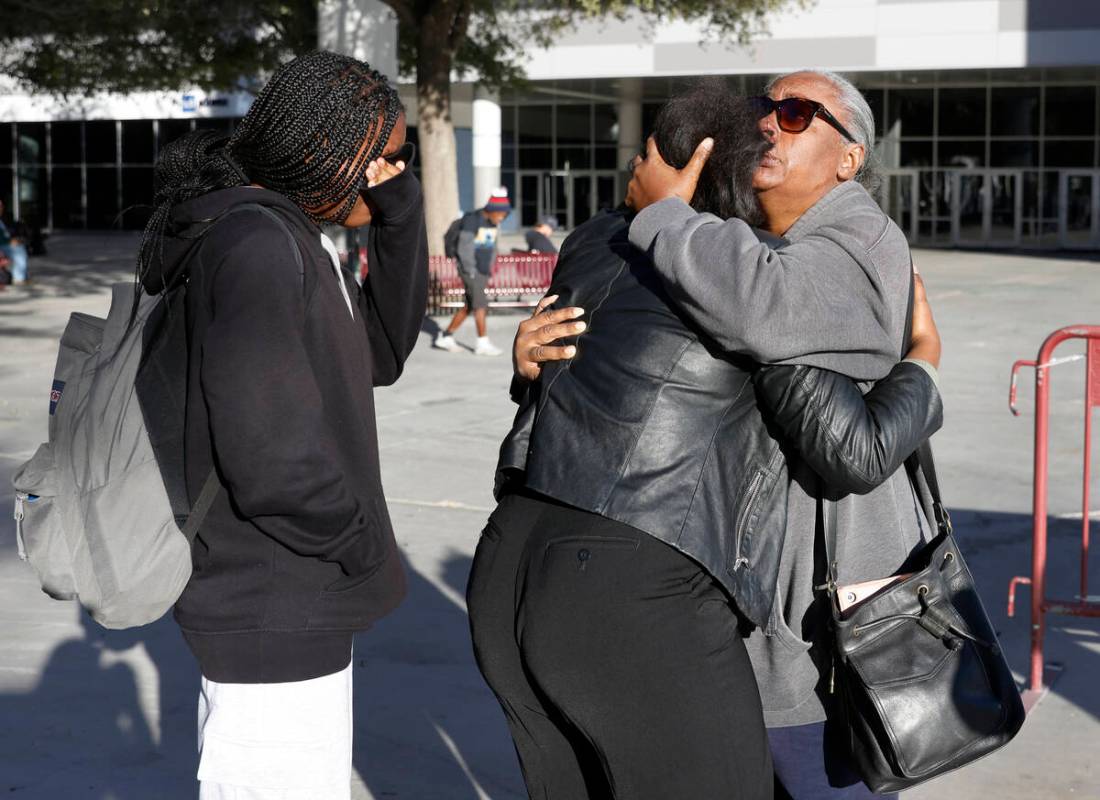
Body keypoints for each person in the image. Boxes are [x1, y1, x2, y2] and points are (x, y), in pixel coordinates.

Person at [469, 81, 942, 800]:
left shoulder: (848, 244)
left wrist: (923, 370)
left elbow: (850, 441)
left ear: (850, 159)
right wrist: (532, 363)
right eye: (763, 111)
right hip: (664, 586)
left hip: (805, 629)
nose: (770, 125)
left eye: (794, 114)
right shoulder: (703, 249)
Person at [136, 51, 427, 800]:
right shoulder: (258, 244)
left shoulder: (288, 236)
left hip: (288, 597)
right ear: (337, 150)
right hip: (273, 600)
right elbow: (270, 455)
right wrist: (356, 541)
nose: (398, 171)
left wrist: (400, 220)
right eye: (391, 158)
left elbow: (383, 354)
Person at [433, 188, 511, 356]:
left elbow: (491, 247)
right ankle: (482, 343)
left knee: (470, 305)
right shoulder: (472, 220)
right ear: (490, 210)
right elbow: (464, 248)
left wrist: (488, 269)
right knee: (480, 305)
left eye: (504, 215)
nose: (501, 218)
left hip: (482, 271)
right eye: (499, 214)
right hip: (471, 271)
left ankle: (445, 336)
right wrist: (471, 271)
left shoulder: (492, 222)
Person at [0, 198, 30, 285]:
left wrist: (12, 240)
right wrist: (9, 242)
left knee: (20, 247)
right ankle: (19, 277)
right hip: (2, 245)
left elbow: (4, 235)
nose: (1, 209)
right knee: (19, 251)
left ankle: (22, 276)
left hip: (4, 244)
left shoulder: (1, 221)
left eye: (2, 206)